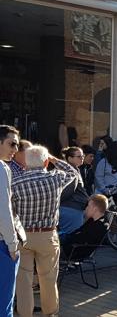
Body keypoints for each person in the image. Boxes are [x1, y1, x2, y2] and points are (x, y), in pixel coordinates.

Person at [12, 145, 77, 317]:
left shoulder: (15, 182)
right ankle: (50, 314)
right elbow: (73, 172)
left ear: (25, 162)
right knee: (48, 279)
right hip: (47, 235)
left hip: (22, 235)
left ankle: (25, 313)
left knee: (23, 280)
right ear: (46, 162)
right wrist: (55, 159)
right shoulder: (56, 179)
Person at [0, 125, 26, 317]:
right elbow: (4, 209)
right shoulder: (2, 168)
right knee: (4, 304)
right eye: (12, 144)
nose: (15, 149)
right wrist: (12, 243)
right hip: (3, 244)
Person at [60, 194, 109, 258]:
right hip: (71, 245)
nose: (86, 209)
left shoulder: (100, 225)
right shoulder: (92, 220)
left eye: (88, 206)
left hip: (74, 251)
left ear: (95, 209)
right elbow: (79, 232)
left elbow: (80, 238)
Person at [58, 147, 90, 239]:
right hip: (71, 209)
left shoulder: (76, 169)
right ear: (69, 158)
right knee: (71, 239)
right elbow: (67, 192)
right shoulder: (69, 171)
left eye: (83, 156)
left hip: (73, 209)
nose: (82, 158)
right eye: (79, 156)